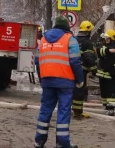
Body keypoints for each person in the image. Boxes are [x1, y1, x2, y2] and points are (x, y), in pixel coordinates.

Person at [34, 17, 83, 148]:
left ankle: (39, 141)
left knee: (45, 110)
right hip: (65, 81)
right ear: (67, 27)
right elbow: (75, 62)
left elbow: (37, 61)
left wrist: (41, 78)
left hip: (47, 81)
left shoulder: (43, 40)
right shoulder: (70, 39)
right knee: (63, 111)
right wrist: (80, 79)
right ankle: (62, 143)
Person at [72, 21, 98, 118]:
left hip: (72, 69)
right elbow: (89, 57)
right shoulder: (87, 43)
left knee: (73, 90)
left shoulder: (74, 40)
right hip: (82, 71)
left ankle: (72, 110)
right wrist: (94, 70)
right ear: (88, 32)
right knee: (80, 91)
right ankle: (78, 112)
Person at [96, 29, 115, 115]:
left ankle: (111, 108)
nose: (106, 40)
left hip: (111, 75)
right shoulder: (103, 46)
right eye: (105, 38)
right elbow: (99, 51)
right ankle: (106, 106)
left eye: (107, 38)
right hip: (102, 74)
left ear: (112, 39)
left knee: (111, 92)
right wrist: (108, 50)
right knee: (103, 91)